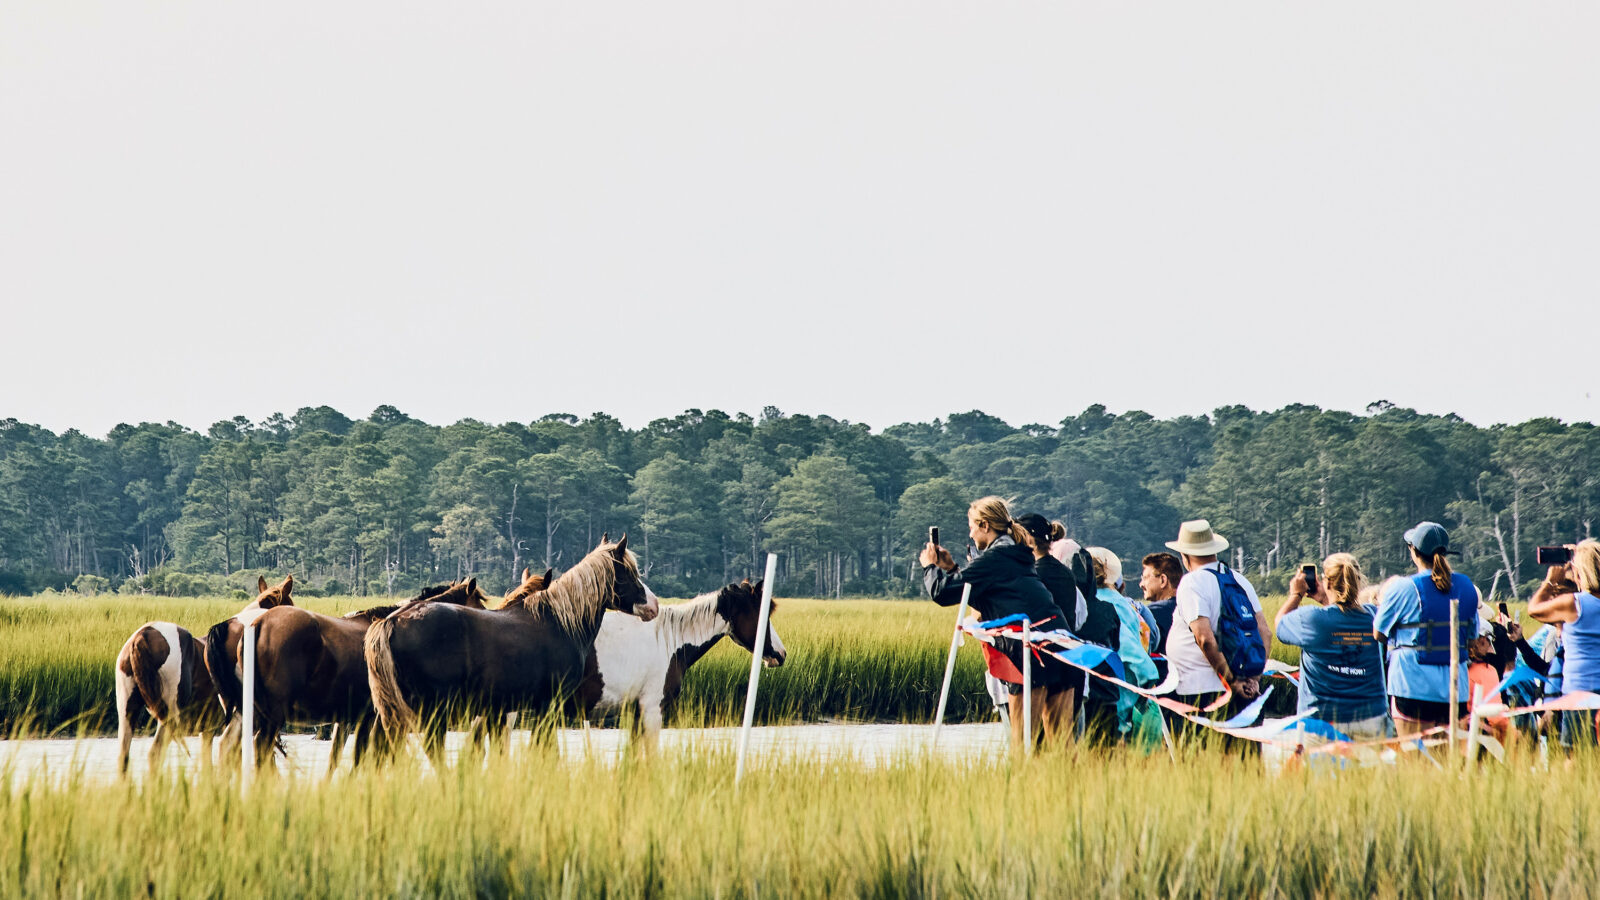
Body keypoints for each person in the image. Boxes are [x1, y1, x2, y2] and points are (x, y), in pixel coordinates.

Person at [921, 496, 1073, 751]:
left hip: (1030, 651)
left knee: (1024, 745)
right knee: (1062, 747)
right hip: (1060, 644)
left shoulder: (996, 557)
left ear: (984, 525)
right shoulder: (1017, 555)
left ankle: (1021, 789)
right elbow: (990, 596)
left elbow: (943, 593)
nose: (970, 534)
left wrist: (930, 567)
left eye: (971, 526)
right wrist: (951, 568)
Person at [1162, 520, 1271, 741]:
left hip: (1200, 693)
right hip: (1245, 688)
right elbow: (1265, 633)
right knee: (1241, 759)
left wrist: (1232, 682)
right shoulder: (1239, 580)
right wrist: (1253, 680)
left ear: (1185, 555)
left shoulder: (1191, 582)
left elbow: (1205, 639)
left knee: (1202, 760)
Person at [1373, 521, 1477, 737]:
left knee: (1414, 761)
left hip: (1411, 686)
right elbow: (1472, 637)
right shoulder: (1466, 586)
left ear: (1414, 551)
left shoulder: (1403, 587)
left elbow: (1378, 633)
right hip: (1455, 689)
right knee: (1447, 760)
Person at [1274, 553, 1388, 738]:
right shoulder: (1374, 616)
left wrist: (1296, 594)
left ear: (1327, 583)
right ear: (1357, 581)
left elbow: (1280, 624)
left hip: (1320, 721)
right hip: (1371, 717)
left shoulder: (1312, 619)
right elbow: (1345, 613)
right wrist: (1325, 598)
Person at [1015, 514, 1086, 737]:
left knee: (1033, 740)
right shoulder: (1064, 572)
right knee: (1064, 741)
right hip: (1069, 658)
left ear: (1026, 538)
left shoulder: (1032, 573)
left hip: (1043, 661)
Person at [1527, 539, 1600, 749]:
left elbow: (1534, 609)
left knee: (1573, 754)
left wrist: (1550, 581)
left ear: (1580, 573)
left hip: (1579, 692)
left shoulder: (1574, 605)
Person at [1086, 547, 1159, 741]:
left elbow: (1129, 649)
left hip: (1108, 696)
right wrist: (1146, 684)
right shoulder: (1123, 603)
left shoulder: (1095, 602)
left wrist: (1147, 674)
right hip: (1125, 694)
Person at [1138, 552, 1183, 657]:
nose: (1141, 584)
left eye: (1145, 578)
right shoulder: (1190, 608)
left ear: (1163, 580)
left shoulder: (1150, 613)